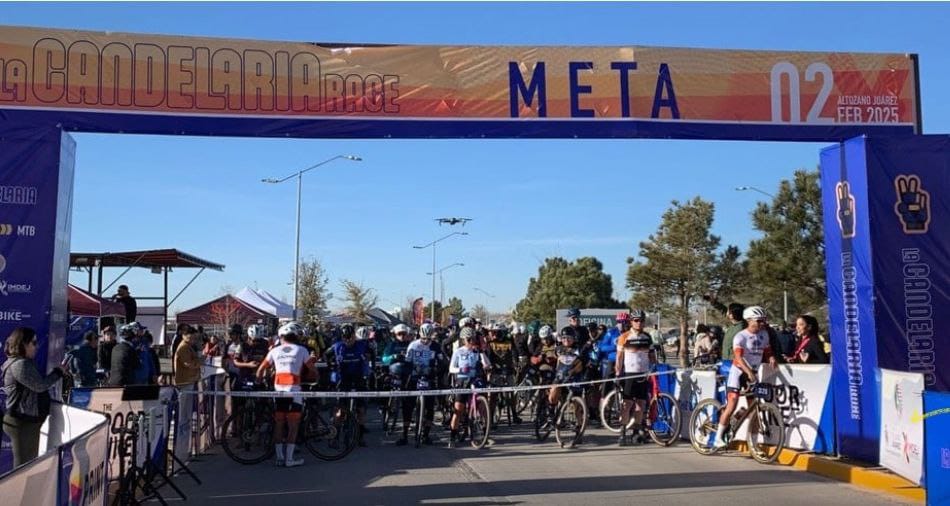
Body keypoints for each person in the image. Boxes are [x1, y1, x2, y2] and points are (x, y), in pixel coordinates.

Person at [713, 306, 777, 450]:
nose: (762, 323)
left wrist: (771, 357)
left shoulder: (764, 334)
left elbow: (767, 350)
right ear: (749, 320)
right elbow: (738, 358)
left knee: (753, 411)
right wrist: (748, 372)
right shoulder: (740, 336)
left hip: (752, 373)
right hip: (739, 373)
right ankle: (717, 438)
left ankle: (753, 444)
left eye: (764, 321)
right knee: (732, 404)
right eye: (759, 321)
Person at [2, 327, 66, 467]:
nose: (37, 347)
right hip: (22, 422)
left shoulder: (22, 362)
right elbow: (39, 386)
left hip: (24, 420)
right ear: (23, 344)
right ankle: (19, 489)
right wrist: (58, 372)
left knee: (27, 463)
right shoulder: (20, 364)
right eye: (34, 342)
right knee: (24, 466)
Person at [257, 322, 316, 467]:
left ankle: (279, 457)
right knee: (293, 425)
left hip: (279, 391)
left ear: (281, 336)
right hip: (294, 391)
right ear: (295, 336)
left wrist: (259, 380)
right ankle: (289, 459)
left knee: (279, 423)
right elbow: (313, 370)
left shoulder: (274, 351)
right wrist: (315, 378)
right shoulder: (301, 350)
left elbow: (260, 370)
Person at [615, 309, 654, 446]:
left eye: (641, 320)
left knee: (640, 405)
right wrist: (617, 373)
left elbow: (652, 356)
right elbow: (619, 357)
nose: (639, 323)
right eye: (636, 320)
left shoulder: (647, 337)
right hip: (629, 374)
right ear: (631, 322)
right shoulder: (624, 337)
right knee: (627, 405)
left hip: (643, 374)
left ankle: (636, 432)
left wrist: (655, 367)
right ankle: (622, 432)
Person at [447, 327, 492, 448]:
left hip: (475, 379)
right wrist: (460, 369)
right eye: (468, 339)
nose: (471, 341)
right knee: (458, 409)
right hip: (462, 380)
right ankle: (452, 435)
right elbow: (451, 368)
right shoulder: (458, 351)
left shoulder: (477, 351)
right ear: (463, 340)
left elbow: (487, 364)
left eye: (473, 339)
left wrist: (481, 353)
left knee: (483, 405)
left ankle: (483, 430)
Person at [399, 323, 443, 445]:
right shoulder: (413, 345)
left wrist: (435, 369)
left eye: (428, 339)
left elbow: (441, 362)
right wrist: (412, 369)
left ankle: (426, 435)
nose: (425, 341)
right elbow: (407, 363)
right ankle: (404, 435)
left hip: (429, 378)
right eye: (423, 339)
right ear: (419, 335)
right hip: (414, 377)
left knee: (430, 407)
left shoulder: (435, 346)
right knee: (408, 406)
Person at [328, 324, 371, 446]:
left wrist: (368, 365)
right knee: (340, 411)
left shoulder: (362, 345)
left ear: (354, 336)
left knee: (361, 410)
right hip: (343, 379)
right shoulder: (337, 347)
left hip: (359, 378)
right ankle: (335, 438)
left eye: (350, 337)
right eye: (345, 338)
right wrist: (331, 366)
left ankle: (360, 437)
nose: (348, 340)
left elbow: (371, 354)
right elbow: (326, 355)